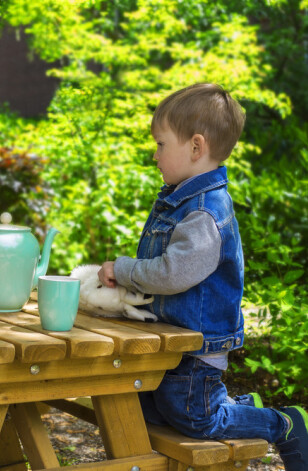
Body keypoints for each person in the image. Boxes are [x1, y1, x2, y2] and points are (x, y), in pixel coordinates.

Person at [97, 83, 307, 470]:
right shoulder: (180, 198)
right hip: (169, 339)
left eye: (161, 145)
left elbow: (175, 272)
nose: (154, 155)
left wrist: (124, 270)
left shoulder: (205, 211)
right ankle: (240, 406)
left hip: (196, 348)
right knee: (147, 408)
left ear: (196, 147)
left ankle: (285, 423)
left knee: (195, 418)